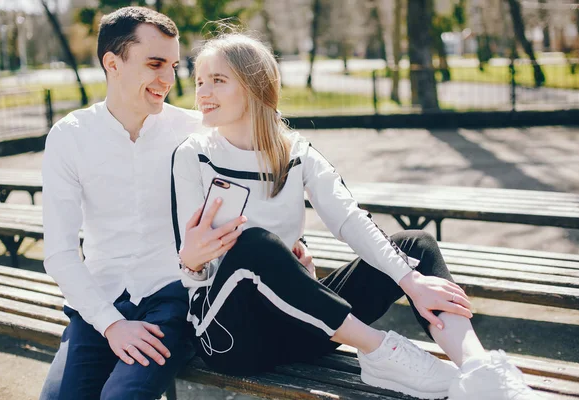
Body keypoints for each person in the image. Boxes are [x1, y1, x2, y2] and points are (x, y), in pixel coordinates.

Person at [171, 32, 542, 400]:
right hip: (231, 339)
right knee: (253, 243)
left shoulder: (298, 154)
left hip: (303, 326)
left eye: (217, 81)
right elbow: (195, 269)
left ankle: (481, 373)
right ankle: (381, 350)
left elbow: (349, 219)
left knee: (416, 245)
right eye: (200, 81)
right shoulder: (193, 155)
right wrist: (191, 262)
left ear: (255, 86)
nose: (202, 92)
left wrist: (410, 281)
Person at [38, 7, 248, 399]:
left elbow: (256, 175)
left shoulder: (195, 131)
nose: (168, 78)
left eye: (173, 64)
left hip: (172, 300)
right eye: (155, 64)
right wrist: (110, 324)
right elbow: (60, 253)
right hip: (98, 301)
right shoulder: (69, 137)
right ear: (112, 63)